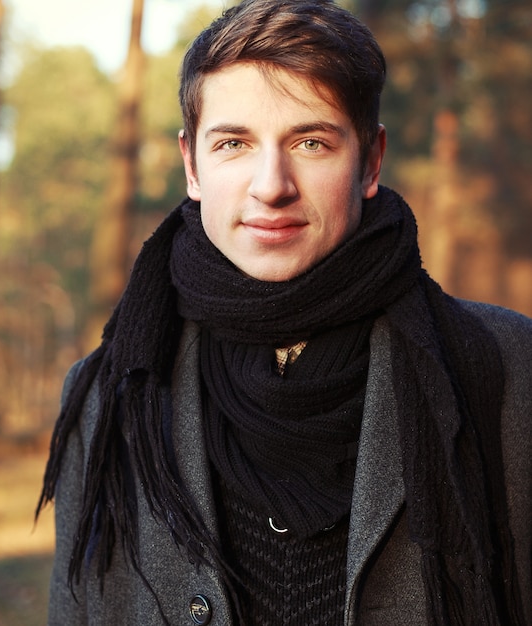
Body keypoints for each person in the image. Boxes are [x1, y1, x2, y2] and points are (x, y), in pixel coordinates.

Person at [37, 1, 532, 624]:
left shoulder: (513, 372)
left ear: (371, 161)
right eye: (234, 143)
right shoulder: (107, 396)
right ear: (193, 164)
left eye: (311, 141)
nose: (271, 184)